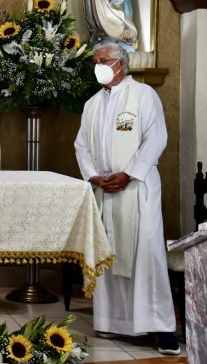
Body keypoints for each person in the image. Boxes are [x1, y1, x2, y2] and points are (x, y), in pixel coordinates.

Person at [74, 42, 179, 355]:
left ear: (120, 64)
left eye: (103, 60)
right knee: (109, 255)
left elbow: (156, 137)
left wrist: (129, 173)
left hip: (136, 189)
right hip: (104, 189)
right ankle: (114, 321)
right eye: (95, 61)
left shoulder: (144, 95)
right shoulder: (92, 103)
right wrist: (94, 175)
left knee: (146, 256)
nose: (98, 66)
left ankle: (161, 329)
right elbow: (81, 145)